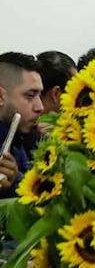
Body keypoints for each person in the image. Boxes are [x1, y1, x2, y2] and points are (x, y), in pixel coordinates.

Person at [0, 52, 44, 199]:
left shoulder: (17, 138)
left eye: (40, 95)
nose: (40, 107)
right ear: (1, 97)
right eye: (30, 96)